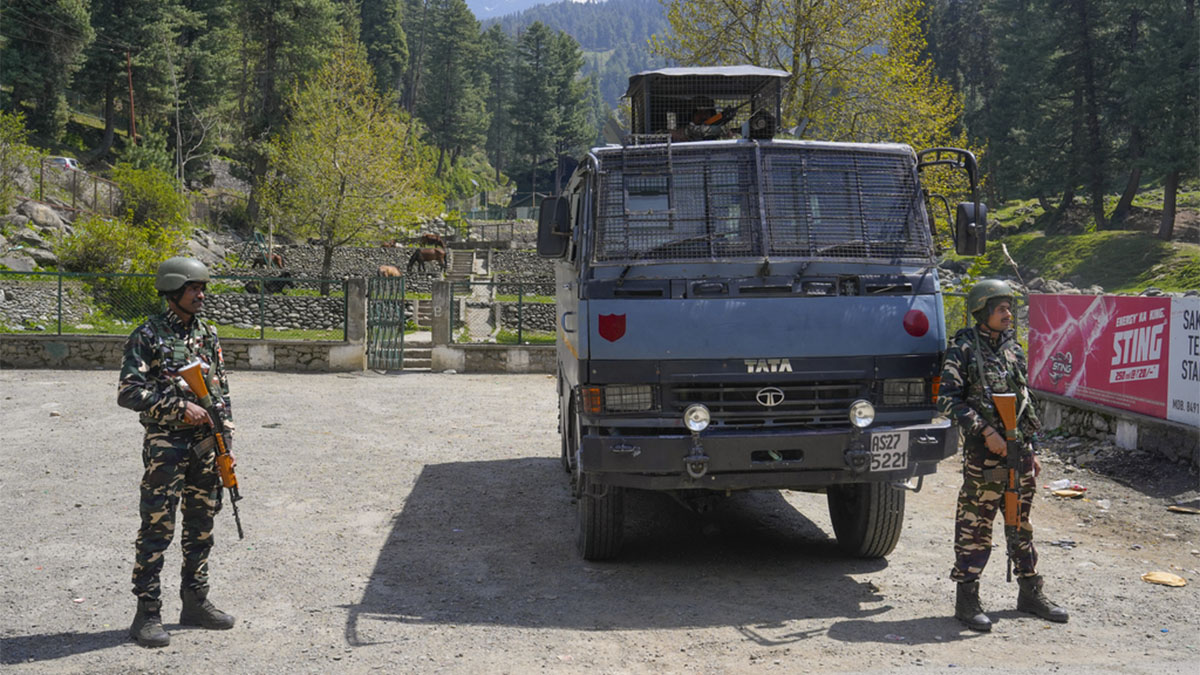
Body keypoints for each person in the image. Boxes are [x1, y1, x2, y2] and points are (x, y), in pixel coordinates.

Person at [938, 279, 1069, 632]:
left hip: (1018, 453)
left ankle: (1030, 592)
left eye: (1010, 308)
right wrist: (986, 431)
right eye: (1000, 309)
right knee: (975, 525)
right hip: (985, 457)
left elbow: (1025, 402)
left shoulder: (1013, 349)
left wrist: (1032, 448)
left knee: (1020, 522)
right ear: (982, 312)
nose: (1008, 314)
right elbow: (947, 400)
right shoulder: (963, 350)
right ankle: (967, 598)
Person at [118, 256, 236, 647]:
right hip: (166, 446)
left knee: (201, 525)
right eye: (193, 288)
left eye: (202, 288)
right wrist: (178, 407)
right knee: (158, 527)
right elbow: (128, 392)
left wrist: (226, 442)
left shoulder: (208, 333)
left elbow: (220, 390)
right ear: (172, 291)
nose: (201, 295)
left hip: (205, 446)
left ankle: (195, 601)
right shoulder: (147, 335)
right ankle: (147, 613)